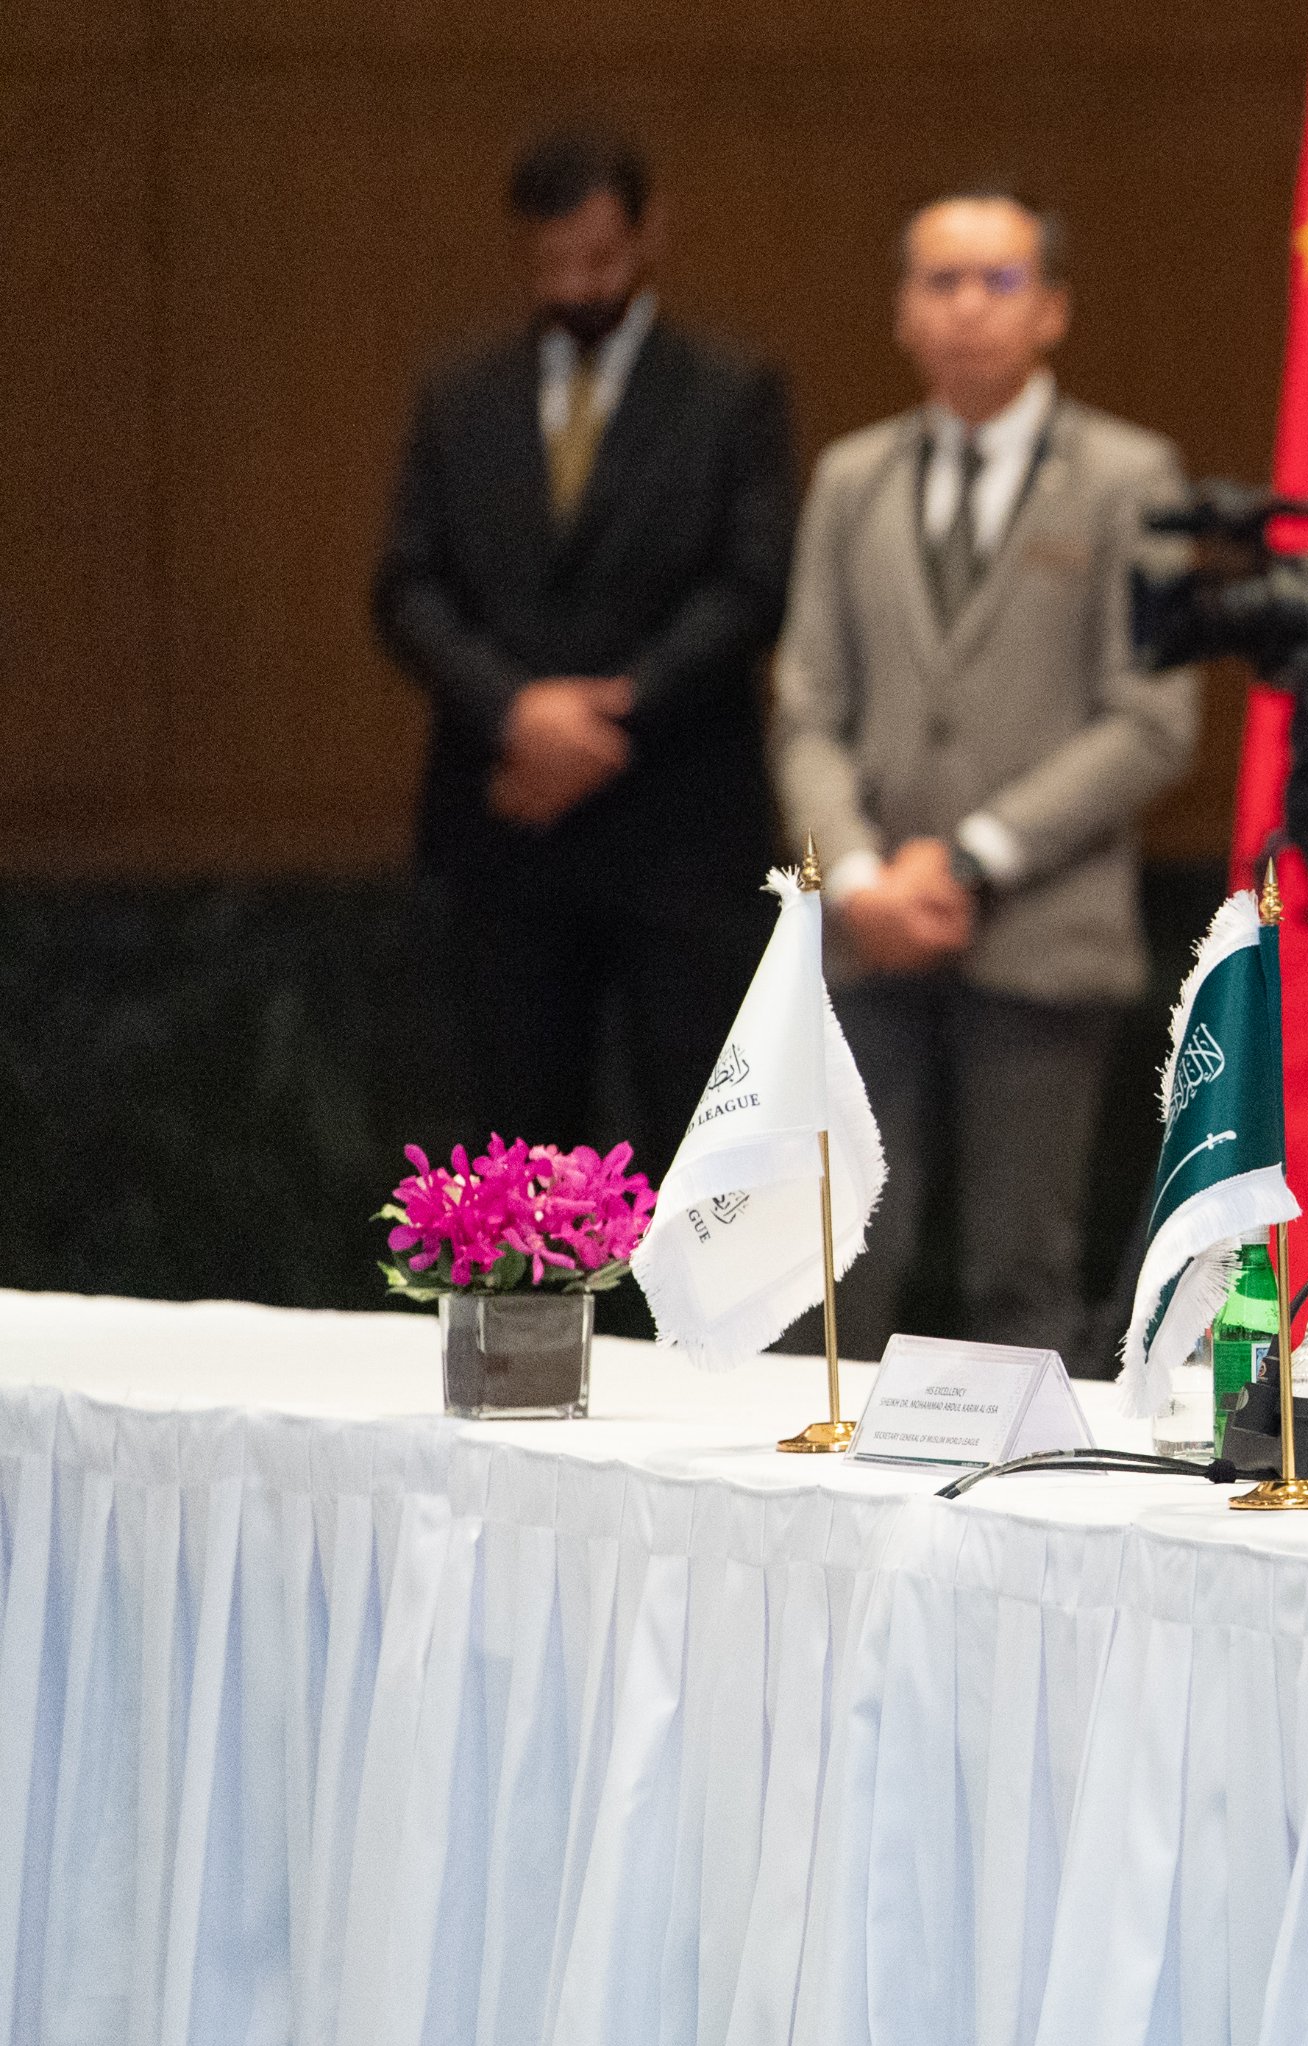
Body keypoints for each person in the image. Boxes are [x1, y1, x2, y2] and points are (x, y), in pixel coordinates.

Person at [769, 186, 1197, 1361]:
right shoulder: (852, 478)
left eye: (999, 281)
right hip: (870, 933)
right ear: (903, 312)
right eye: (940, 282)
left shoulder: (1130, 476)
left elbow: (1153, 719)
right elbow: (805, 708)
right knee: (836, 1270)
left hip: (1041, 930)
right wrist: (857, 875)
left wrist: (967, 858)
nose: (969, 307)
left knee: (1025, 1273)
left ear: (1052, 309)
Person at [373, 124, 795, 1238]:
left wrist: (607, 717)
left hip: (677, 827)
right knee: (512, 1150)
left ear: (649, 235)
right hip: (504, 826)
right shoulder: (461, 394)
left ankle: (704, 1385)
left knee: (696, 1147)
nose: (577, 288)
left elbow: (751, 586)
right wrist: (516, 712)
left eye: (600, 263)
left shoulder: (728, 391)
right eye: (552, 265)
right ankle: (523, 1374)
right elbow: (408, 588)